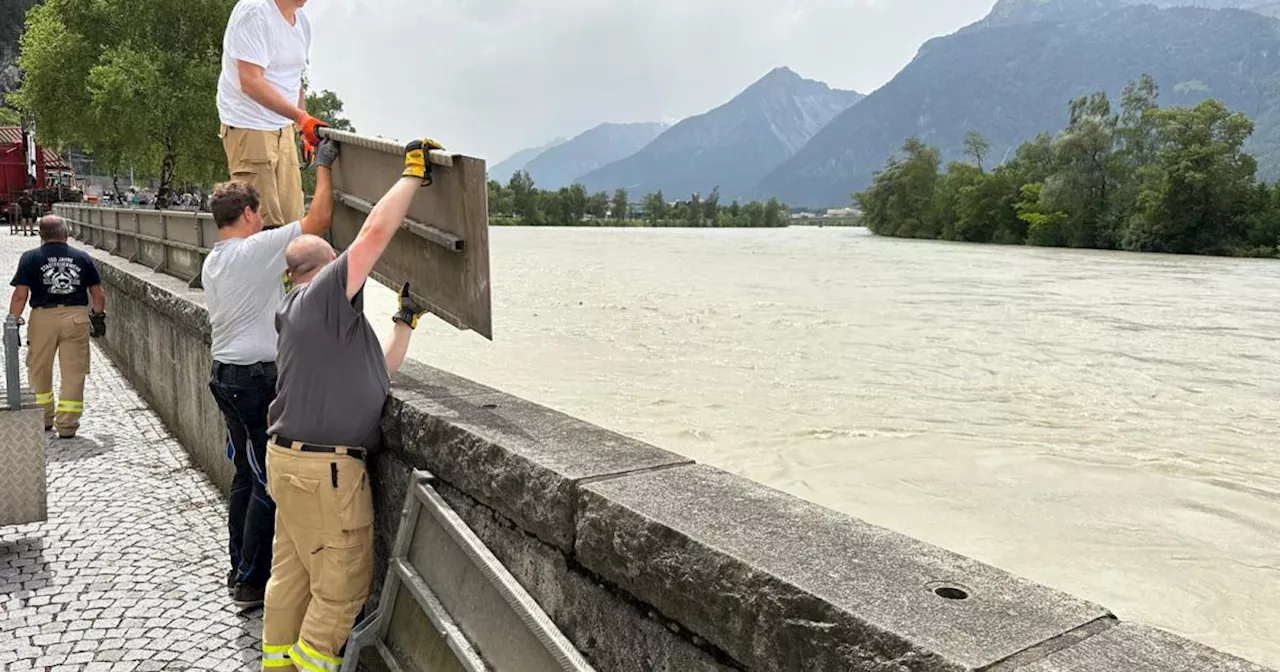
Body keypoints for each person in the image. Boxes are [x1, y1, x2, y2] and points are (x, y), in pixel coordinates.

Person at [259, 138, 440, 670]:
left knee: (290, 578)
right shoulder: (319, 301)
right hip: (325, 474)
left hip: (291, 464)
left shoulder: (307, 321)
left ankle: (276, 663)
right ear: (330, 267)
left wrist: (402, 323)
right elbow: (375, 234)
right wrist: (412, 174)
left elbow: (374, 378)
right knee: (340, 588)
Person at [203, 138, 340, 611]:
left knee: (246, 473)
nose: (262, 221)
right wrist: (323, 169)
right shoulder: (253, 250)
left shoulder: (214, 260)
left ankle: (238, 566)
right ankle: (250, 582)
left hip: (226, 375)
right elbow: (318, 223)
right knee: (267, 481)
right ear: (245, 215)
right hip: (253, 380)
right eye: (258, 214)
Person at [217, 0, 328, 229]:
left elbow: (293, 80)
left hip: (283, 127)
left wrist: (301, 128)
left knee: (293, 223)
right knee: (262, 225)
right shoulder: (255, 13)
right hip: (249, 126)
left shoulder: (302, 23)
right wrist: (300, 118)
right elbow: (250, 81)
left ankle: (290, 265)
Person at [8, 215, 107, 438]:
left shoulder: (30, 258)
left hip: (42, 318)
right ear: (66, 233)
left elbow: (20, 296)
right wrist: (98, 316)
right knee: (74, 371)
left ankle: (43, 418)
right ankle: (67, 424)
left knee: (38, 368)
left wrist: (13, 321)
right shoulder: (82, 257)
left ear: (41, 236)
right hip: (75, 317)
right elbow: (98, 293)